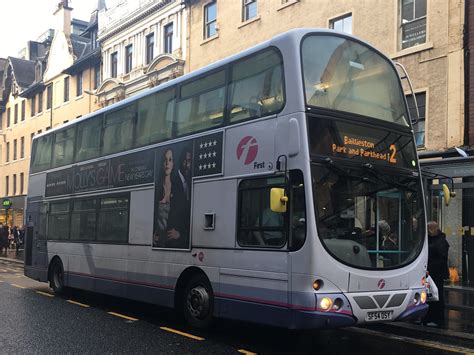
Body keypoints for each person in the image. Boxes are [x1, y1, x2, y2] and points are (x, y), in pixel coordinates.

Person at [423, 221, 450, 327]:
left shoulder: (440, 241)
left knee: (436, 296)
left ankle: (437, 319)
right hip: (430, 272)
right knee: (429, 296)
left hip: (436, 273)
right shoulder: (432, 240)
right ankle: (429, 317)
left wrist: (430, 266)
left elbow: (441, 258)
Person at [153, 148, 175, 248]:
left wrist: (179, 233)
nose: (167, 163)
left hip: (171, 242)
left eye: (170, 160)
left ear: (173, 164)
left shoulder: (177, 187)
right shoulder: (156, 187)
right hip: (157, 242)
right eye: (165, 160)